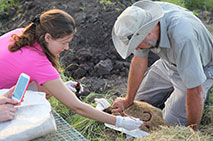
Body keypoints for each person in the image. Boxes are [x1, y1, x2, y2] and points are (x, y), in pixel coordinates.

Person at [0, 9, 142, 130]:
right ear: (48, 37)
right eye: (64, 42)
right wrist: (119, 122)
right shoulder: (37, 62)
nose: (67, 48)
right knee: (44, 92)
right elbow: (77, 107)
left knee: (48, 88)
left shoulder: (20, 34)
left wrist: (61, 87)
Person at [111, 0, 213, 131]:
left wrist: (191, 132)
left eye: (137, 43)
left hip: (201, 66)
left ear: (148, 32)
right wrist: (128, 100)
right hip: (169, 62)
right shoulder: (141, 20)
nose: (136, 48)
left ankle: (197, 104)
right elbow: (138, 62)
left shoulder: (183, 38)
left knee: (170, 123)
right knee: (138, 104)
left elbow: (195, 90)